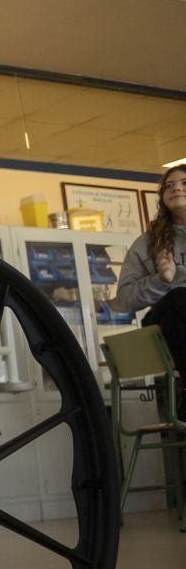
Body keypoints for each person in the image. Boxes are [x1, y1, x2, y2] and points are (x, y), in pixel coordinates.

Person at [115, 164, 186, 397]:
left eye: (184, 183)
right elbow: (125, 300)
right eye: (169, 185)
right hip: (171, 321)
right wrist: (161, 281)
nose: (176, 188)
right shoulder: (148, 243)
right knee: (179, 297)